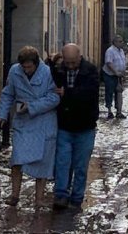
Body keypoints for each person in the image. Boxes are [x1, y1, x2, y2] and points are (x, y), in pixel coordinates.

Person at [0, 46, 61, 207]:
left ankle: (39, 199)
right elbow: (8, 93)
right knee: (17, 159)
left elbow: (54, 97)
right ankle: (14, 195)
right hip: (23, 123)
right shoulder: (14, 71)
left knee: (42, 162)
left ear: (36, 64)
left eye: (29, 67)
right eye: (23, 67)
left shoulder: (48, 73)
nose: (26, 70)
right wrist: (2, 114)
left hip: (44, 122)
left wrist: (32, 106)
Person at [52, 44, 100, 210]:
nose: (71, 66)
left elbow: (89, 94)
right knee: (62, 162)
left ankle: (77, 198)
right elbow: (48, 79)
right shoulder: (59, 70)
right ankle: (60, 195)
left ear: (80, 57)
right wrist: (51, 62)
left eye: (73, 62)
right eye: (68, 62)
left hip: (85, 126)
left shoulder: (91, 71)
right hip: (64, 124)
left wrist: (67, 94)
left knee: (80, 165)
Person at [103, 35, 127, 119]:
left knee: (119, 93)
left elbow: (123, 62)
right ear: (115, 42)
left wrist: (123, 73)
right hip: (110, 75)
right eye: (120, 41)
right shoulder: (110, 51)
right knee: (109, 92)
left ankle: (119, 112)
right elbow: (109, 63)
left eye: (122, 41)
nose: (122, 43)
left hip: (119, 76)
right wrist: (115, 72)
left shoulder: (121, 51)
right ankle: (109, 111)